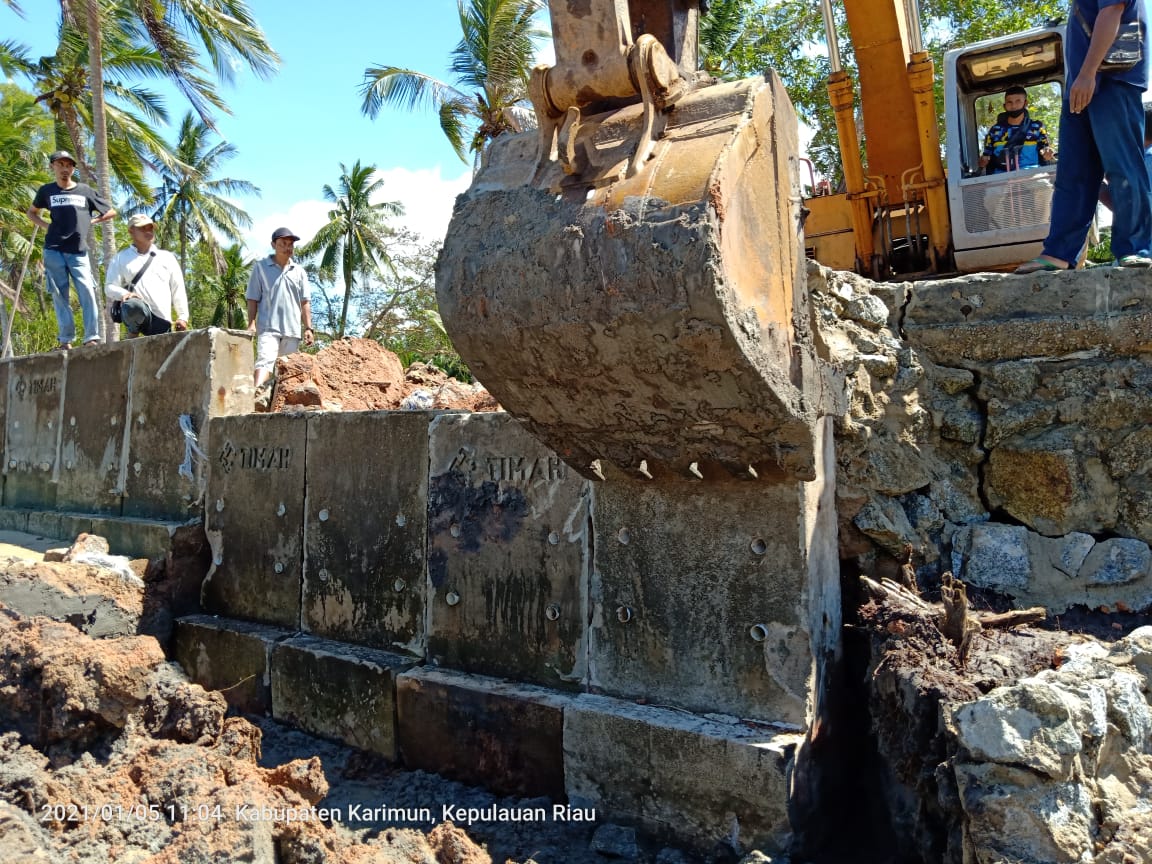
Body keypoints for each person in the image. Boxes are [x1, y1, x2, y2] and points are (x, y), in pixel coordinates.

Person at [1016, 0, 1152, 273]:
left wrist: (1089, 73)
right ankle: (1059, 252)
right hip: (1081, 84)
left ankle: (1135, 247)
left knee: (1123, 167)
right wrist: (1082, 78)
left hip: (1113, 79)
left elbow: (1112, 11)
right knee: (1073, 172)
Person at [26, 150, 116, 349]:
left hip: (78, 251)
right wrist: (46, 226)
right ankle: (65, 339)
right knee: (60, 295)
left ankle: (91, 337)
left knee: (87, 292)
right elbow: (31, 213)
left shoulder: (85, 191)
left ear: (73, 168)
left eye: (69, 165)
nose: (65, 169)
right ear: (53, 167)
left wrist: (93, 220)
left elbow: (110, 211)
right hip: (53, 250)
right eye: (60, 165)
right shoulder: (46, 191)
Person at [246, 226, 314, 388]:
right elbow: (252, 298)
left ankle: (279, 406)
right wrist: (251, 323)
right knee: (265, 361)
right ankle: (256, 398)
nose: (287, 247)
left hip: (292, 330)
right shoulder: (261, 268)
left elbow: (304, 301)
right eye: (283, 243)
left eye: (290, 244)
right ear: (273, 245)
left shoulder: (299, 272)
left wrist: (308, 328)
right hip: (268, 328)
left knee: (287, 369)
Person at [104, 214, 189, 337]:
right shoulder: (120, 258)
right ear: (131, 231)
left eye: (150, 227)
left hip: (162, 319)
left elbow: (178, 289)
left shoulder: (167, 257)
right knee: (133, 305)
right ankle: (133, 333)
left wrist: (183, 317)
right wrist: (125, 294)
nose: (148, 231)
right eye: (143, 228)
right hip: (138, 312)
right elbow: (109, 287)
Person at [978, 86, 1055, 173]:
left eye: (1018, 101)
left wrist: (1047, 152)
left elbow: (1045, 149)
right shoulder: (995, 130)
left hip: (1032, 175)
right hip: (1000, 178)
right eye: (1009, 102)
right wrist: (983, 161)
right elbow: (986, 156)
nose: (1013, 106)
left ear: (1025, 103)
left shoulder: (1036, 127)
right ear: (1004, 106)